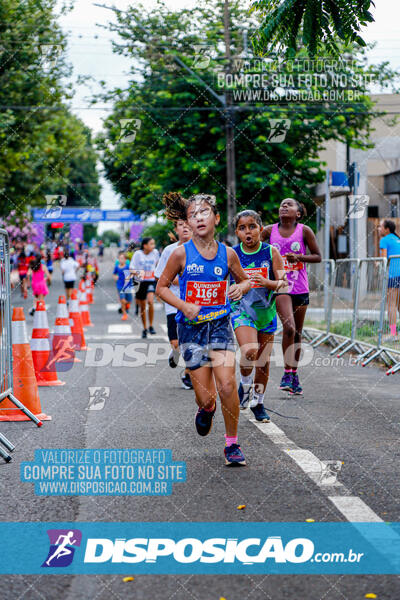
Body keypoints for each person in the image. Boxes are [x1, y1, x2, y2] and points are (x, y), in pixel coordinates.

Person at [156, 192, 251, 466]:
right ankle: (206, 408)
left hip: (220, 325)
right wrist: (184, 306)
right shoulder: (179, 254)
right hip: (191, 331)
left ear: (217, 218)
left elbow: (245, 282)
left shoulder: (228, 254)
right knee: (207, 396)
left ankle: (232, 444)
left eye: (204, 213)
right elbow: (161, 287)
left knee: (227, 383)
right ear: (187, 221)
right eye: (192, 215)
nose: (198, 218)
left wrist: (239, 287)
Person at [261, 198, 321, 395]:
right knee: (289, 327)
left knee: (297, 333)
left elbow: (317, 256)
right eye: (282, 204)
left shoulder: (304, 231)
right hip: (281, 286)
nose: (284, 206)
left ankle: (293, 374)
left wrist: (300, 257)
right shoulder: (269, 231)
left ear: (298, 213)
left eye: (289, 204)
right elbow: (257, 253)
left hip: (301, 287)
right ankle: (287, 373)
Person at [232, 210, 287, 422]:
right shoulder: (232, 254)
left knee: (263, 362)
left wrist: (269, 283)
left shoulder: (271, 252)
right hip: (242, 310)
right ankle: (245, 385)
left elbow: (283, 283)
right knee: (250, 351)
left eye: (252, 226)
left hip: (266, 311)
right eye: (243, 227)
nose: (248, 231)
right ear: (237, 232)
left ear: (260, 229)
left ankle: (258, 401)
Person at [154, 213, 193, 390]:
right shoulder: (169, 251)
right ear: (176, 229)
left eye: (187, 224)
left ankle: (188, 374)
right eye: (180, 224)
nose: (184, 227)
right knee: (177, 342)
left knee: (192, 343)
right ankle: (175, 351)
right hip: (173, 304)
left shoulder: (202, 249)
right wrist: (179, 279)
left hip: (195, 304)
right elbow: (160, 277)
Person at [130, 237, 160, 338]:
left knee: (150, 301)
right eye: (151, 244)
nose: (153, 246)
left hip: (151, 281)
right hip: (140, 282)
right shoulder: (138, 254)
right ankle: (145, 328)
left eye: (154, 244)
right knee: (142, 306)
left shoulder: (155, 253)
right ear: (145, 245)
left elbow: (159, 265)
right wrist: (138, 274)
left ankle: (151, 325)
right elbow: (131, 268)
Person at [379, 219, 400, 340]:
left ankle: (393, 333)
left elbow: (384, 260)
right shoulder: (398, 239)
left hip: (393, 275)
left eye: (380, 227)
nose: (379, 229)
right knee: (399, 306)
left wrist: (378, 264)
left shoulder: (384, 240)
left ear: (387, 229)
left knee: (391, 305)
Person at [113, 251, 132, 321]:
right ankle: (124, 314)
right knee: (123, 300)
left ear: (125, 260)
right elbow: (114, 274)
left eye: (122, 258)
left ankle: (127, 305)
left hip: (127, 285)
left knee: (129, 300)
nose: (121, 260)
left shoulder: (128, 267)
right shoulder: (117, 267)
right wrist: (115, 277)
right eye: (120, 258)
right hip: (120, 286)